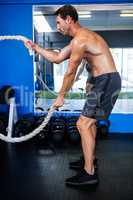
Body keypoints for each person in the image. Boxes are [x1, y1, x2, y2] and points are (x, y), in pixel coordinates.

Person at [24, 5, 121, 186]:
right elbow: (57, 57)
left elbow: (69, 72)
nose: (58, 27)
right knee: (89, 123)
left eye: (59, 22)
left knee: (82, 124)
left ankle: (89, 173)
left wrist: (61, 96)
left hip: (106, 81)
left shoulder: (80, 40)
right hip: (102, 81)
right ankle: (89, 161)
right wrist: (36, 47)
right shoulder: (78, 39)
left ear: (69, 19)